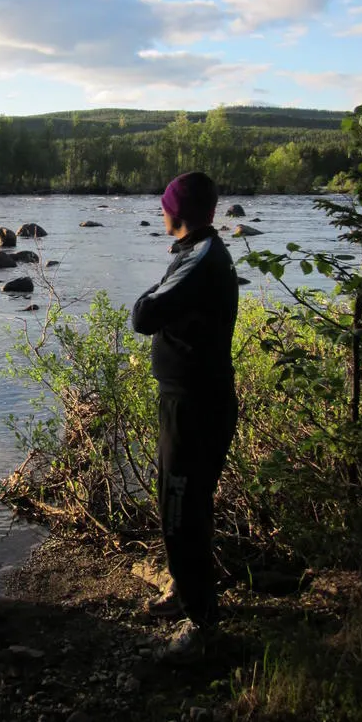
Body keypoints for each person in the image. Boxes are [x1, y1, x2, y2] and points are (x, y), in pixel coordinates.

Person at [131, 171, 238, 659]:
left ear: (178, 211)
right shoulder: (196, 251)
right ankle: (188, 589)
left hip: (194, 404)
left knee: (179, 510)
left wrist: (145, 300)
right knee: (189, 503)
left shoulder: (199, 259)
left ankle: (203, 626)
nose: (161, 210)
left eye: (165, 203)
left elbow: (143, 316)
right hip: (194, 399)